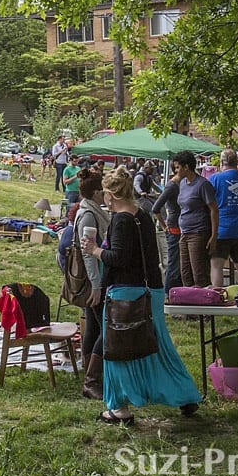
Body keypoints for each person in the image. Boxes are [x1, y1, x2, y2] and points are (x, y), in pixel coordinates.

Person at [79, 166, 201, 425]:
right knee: (158, 348)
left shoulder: (121, 220)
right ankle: (184, 395)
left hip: (126, 293)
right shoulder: (143, 216)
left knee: (119, 350)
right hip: (152, 290)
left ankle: (119, 409)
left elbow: (120, 258)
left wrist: (94, 250)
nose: (104, 200)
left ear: (111, 194)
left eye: (105, 194)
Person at [74, 168, 110, 400]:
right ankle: (92, 379)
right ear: (97, 193)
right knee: (105, 328)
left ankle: (90, 373)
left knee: (95, 327)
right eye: (104, 191)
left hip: (95, 277)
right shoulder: (88, 215)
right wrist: (97, 285)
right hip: (93, 279)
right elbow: (88, 253)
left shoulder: (92, 210)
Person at [209, 148, 238, 293]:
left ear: (222, 162)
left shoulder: (215, 179)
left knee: (216, 264)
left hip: (222, 228)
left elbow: (209, 204)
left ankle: (217, 295)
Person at [173, 149, 218, 288]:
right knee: (185, 273)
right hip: (184, 232)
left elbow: (214, 210)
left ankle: (203, 306)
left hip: (198, 233)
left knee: (199, 273)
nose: (176, 171)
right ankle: (189, 306)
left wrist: (214, 236)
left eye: (177, 167)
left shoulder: (202, 184)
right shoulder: (182, 183)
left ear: (186, 167)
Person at [151, 173, 183, 293]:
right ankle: (169, 293)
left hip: (180, 227)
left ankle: (176, 293)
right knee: (174, 263)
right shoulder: (172, 186)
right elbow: (155, 208)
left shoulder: (180, 184)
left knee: (178, 263)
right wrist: (164, 226)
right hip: (174, 228)